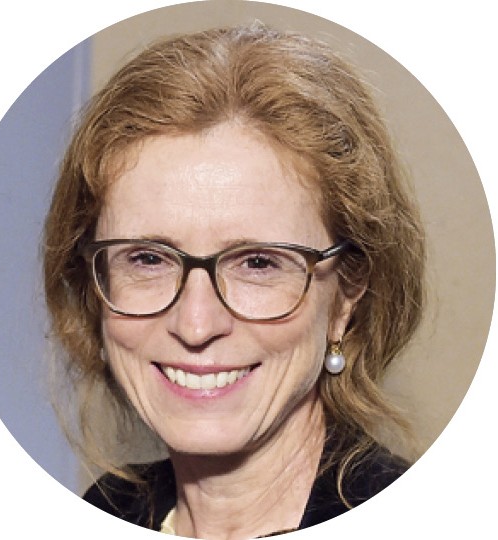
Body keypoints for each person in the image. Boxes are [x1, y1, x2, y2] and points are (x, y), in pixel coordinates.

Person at [43, 22, 425, 538]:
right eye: (148, 259)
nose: (196, 325)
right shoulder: (108, 509)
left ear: (347, 295)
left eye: (258, 263)